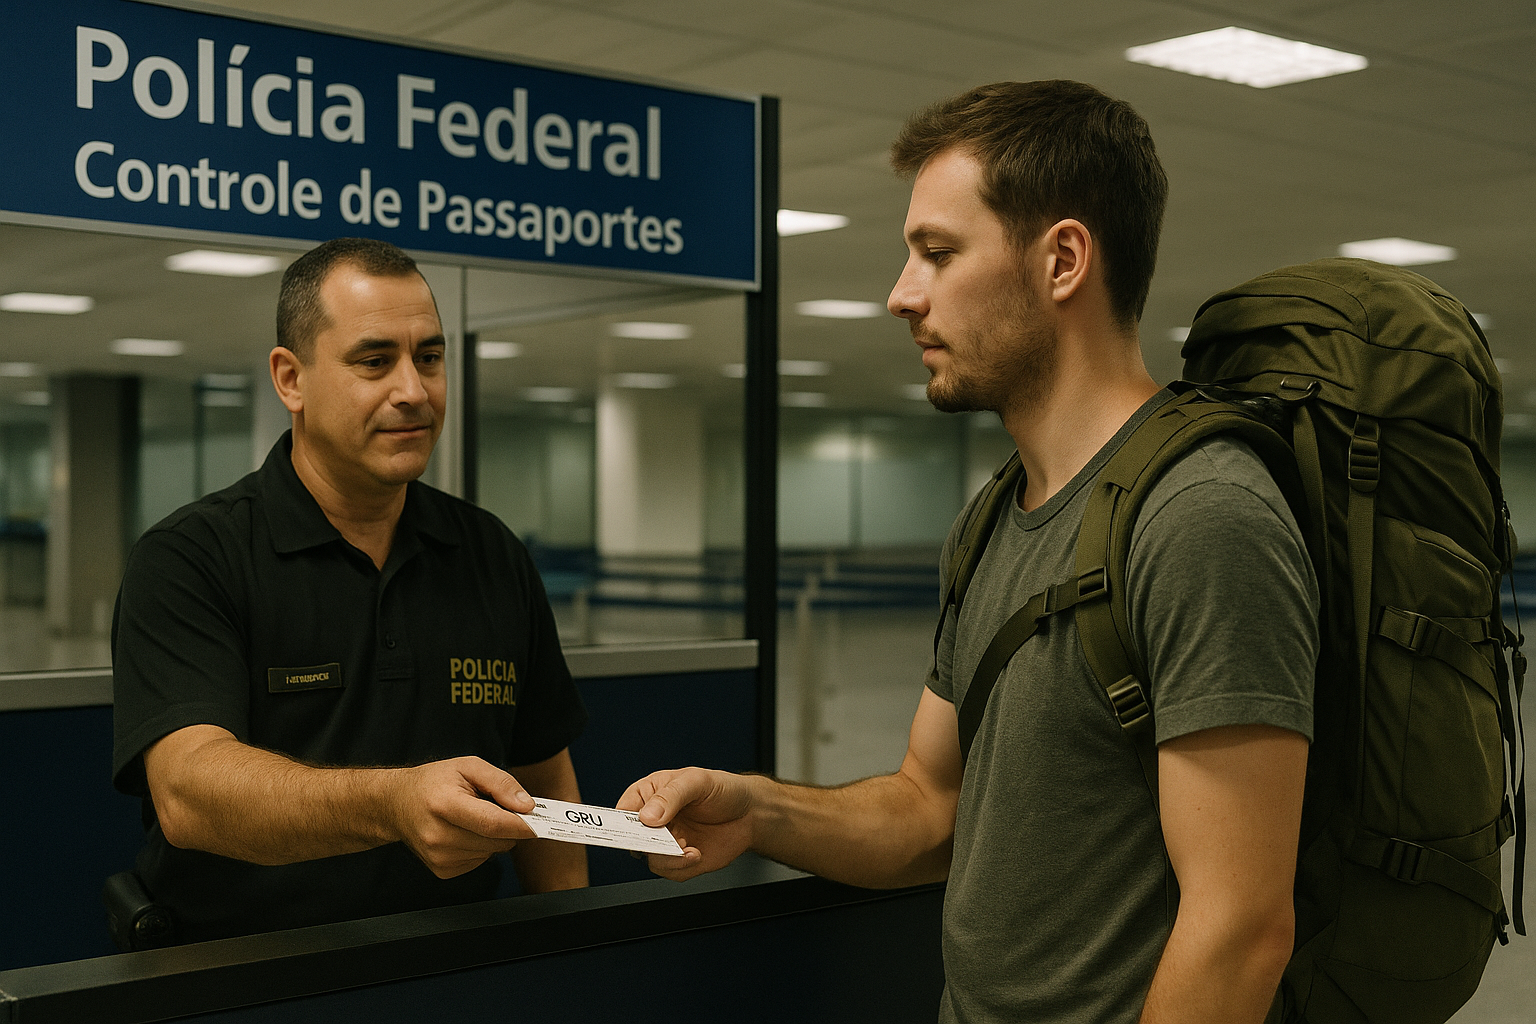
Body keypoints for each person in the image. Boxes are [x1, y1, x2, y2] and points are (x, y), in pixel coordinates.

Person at [621, 81, 1319, 1024]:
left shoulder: (1200, 515)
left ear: (1063, 259)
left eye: (938, 254)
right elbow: (926, 806)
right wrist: (756, 810)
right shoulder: (996, 516)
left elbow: (1240, 927)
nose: (901, 295)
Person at [111, 237, 588, 943]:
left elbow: (541, 776)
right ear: (290, 380)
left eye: (429, 357)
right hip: (246, 980)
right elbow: (190, 794)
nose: (414, 391)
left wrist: (571, 950)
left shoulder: (490, 554)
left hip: (458, 970)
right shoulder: (191, 558)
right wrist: (395, 803)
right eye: (374, 361)